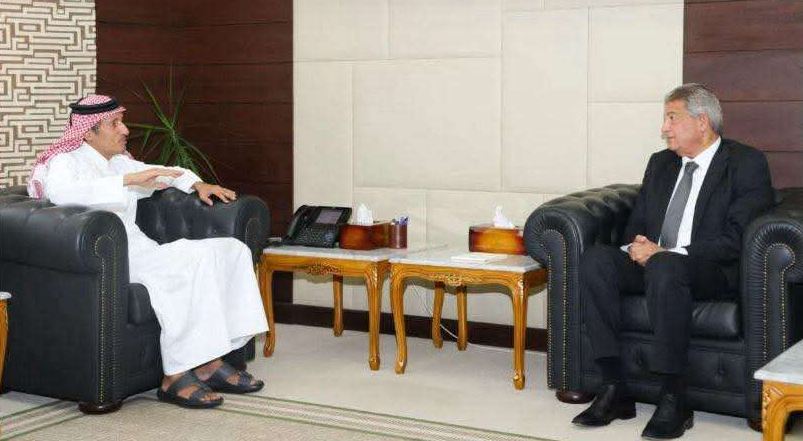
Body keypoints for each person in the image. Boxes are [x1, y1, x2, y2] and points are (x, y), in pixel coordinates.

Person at [27, 94, 269, 409]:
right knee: (192, 262)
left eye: (122, 122)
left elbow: (163, 172)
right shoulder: (66, 162)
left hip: (141, 248)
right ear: (87, 132)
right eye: (115, 124)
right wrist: (127, 181)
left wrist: (196, 185)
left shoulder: (117, 161)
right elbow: (61, 193)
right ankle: (175, 378)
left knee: (232, 250)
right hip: (109, 258)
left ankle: (211, 362)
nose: (125, 130)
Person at [572, 84, 773, 438]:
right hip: (657, 264)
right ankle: (614, 386)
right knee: (596, 260)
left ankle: (674, 397)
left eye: (672, 118)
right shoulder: (661, 163)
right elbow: (638, 223)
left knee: (665, 266)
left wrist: (665, 254)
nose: (664, 128)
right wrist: (635, 246)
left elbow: (735, 239)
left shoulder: (745, 163)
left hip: (709, 269)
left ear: (702, 122)